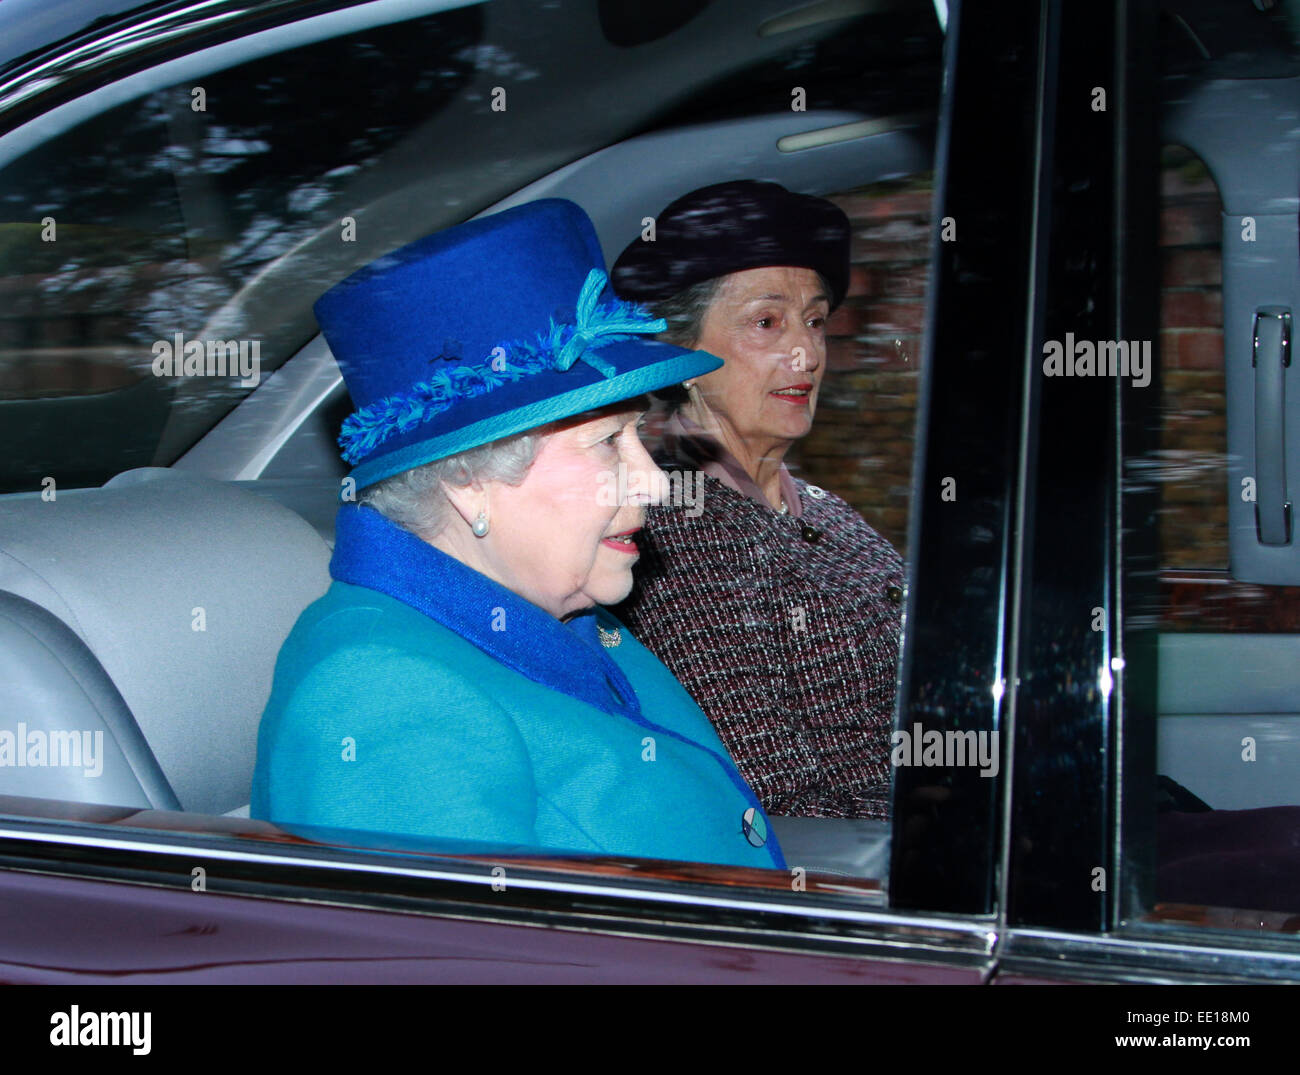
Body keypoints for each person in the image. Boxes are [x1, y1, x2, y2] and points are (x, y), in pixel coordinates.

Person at [251, 198, 784, 869]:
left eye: (639, 438)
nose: (653, 483)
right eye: (607, 444)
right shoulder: (382, 698)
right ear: (469, 480)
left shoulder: (556, 608)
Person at [611, 180, 906, 820]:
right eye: (766, 322)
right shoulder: (675, 528)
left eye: (816, 321)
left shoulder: (827, 511)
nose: (806, 353)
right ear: (683, 357)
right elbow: (776, 805)